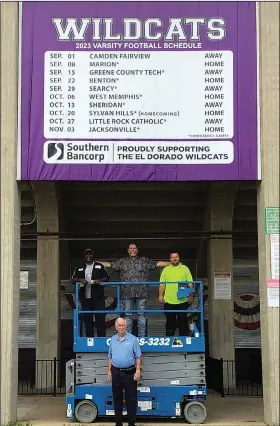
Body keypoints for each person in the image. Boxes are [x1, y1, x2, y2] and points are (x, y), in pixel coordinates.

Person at [100, 243, 169, 337]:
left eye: (134, 248)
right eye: (131, 248)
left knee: (141, 316)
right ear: (128, 250)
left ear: (137, 250)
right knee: (128, 316)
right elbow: (109, 264)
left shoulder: (144, 260)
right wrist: (94, 262)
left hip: (142, 293)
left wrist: (172, 263)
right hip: (126, 293)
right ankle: (128, 338)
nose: (132, 250)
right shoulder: (123, 261)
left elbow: (157, 264)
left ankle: (142, 338)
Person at [108, 317, 141, 426]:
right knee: (117, 399)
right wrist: (109, 371)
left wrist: (137, 371)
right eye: (119, 325)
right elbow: (110, 357)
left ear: (126, 326)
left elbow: (138, 357)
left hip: (130, 373)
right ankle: (118, 424)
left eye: (123, 325)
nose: (121, 327)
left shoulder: (133, 339)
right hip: (116, 373)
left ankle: (131, 424)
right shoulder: (112, 339)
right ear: (116, 327)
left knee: (131, 400)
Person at [72, 248, 109, 337]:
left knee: (100, 319)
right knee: (87, 320)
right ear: (84, 256)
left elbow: (107, 277)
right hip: (85, 298)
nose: (88, 256)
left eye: (90, 254)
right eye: (86, 254)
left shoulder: (99, 266)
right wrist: (80, 280)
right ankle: (90, 341)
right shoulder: (79, 267)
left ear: (93, 255)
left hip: (98, 297)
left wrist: (99, 280)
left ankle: (101, 341)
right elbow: (73, 280)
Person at [158, 252, 193, 336]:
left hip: (182, 300)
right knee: (170, 322)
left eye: (176, 257)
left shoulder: (185, 268)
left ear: (179, 258)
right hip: (169, 301)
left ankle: (184, 344)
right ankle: (169, 343)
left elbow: (190, 283)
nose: (174, 259)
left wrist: (190, 295)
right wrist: (160, 295)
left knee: (183, 321)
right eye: (172, 257)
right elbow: (162, 284)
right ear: (170, 259)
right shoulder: (165, 269)